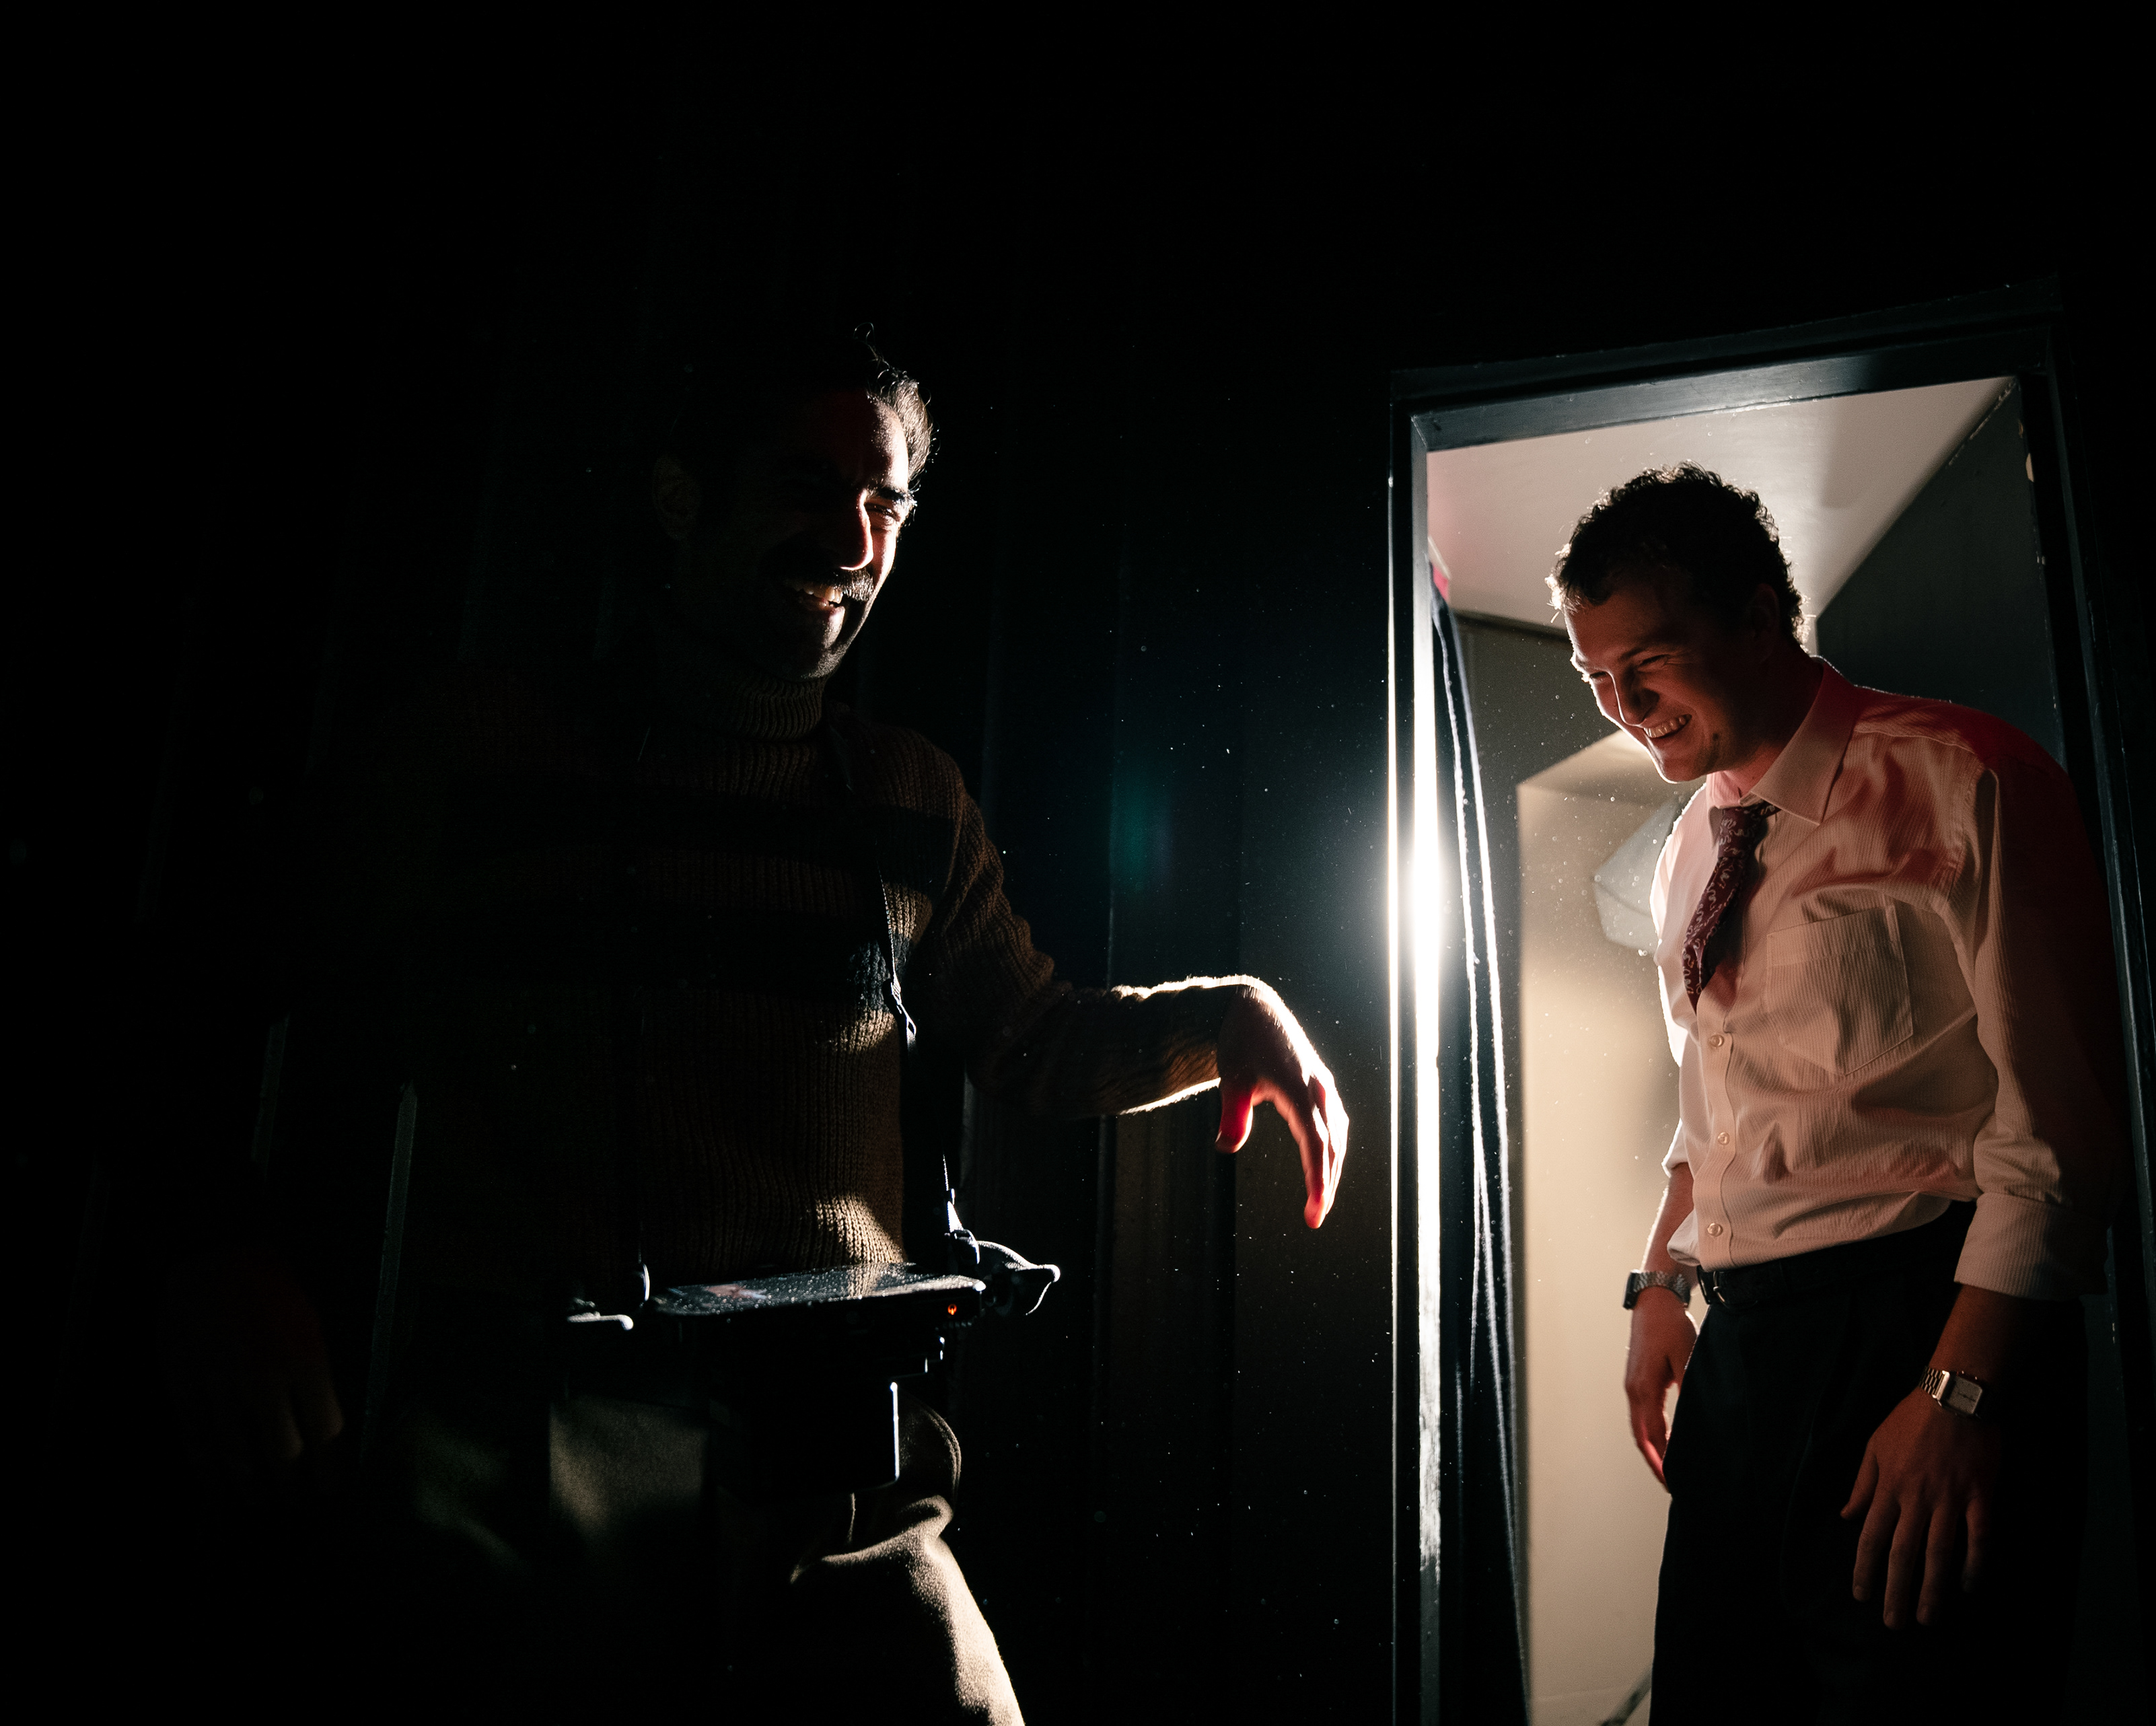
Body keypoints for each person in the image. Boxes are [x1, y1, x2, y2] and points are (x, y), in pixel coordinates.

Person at [163, 327, 1348, 1721]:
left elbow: (1029, 1033)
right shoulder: (475, 750)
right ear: (683, 498)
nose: (853, 539)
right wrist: (219, 1255)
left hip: (833, 1485)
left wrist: (1229, 1017)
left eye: (886, 500)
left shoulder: (910, 796)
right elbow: (195, 988)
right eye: (806, 485)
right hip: (526, 1484)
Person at [1559, 465, 2124, 1723]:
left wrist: (1959, 1394)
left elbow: (2061, 1134)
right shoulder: (1690, 846)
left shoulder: (1966, 778)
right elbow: (1718, 1104)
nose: (1626, 710)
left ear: (1758, 619)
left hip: (1921, 1323)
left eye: (1648, 664)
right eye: (1596, 679)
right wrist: (1661, 1281)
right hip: (1745, 1349)